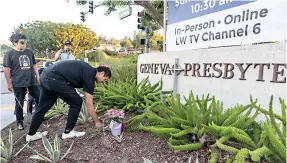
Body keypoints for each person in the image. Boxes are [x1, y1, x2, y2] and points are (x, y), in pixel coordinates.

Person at [26, 60, 112, 142]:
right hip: (54, 78)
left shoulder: (87, 69)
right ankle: (68, 132)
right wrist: (97, 122)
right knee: (76, 102)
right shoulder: (90, 75)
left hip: (45, 75)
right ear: (102, 73)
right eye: (105, 79)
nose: (103, 82)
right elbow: (89, 104)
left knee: (43, 106)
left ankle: (31, 135)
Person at [3, 33, 40, 130]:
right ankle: (20, 122)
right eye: (22, 42)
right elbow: (6, 69)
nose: (24, 44)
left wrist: (37, 76)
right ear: (15, 43)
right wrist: (8, 83)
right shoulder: (9, 54)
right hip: (18, 82)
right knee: (19, 102)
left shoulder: (29, 52)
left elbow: (34, 65)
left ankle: (39, 116)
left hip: (31, 81)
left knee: (39, 97)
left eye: (25, 42)